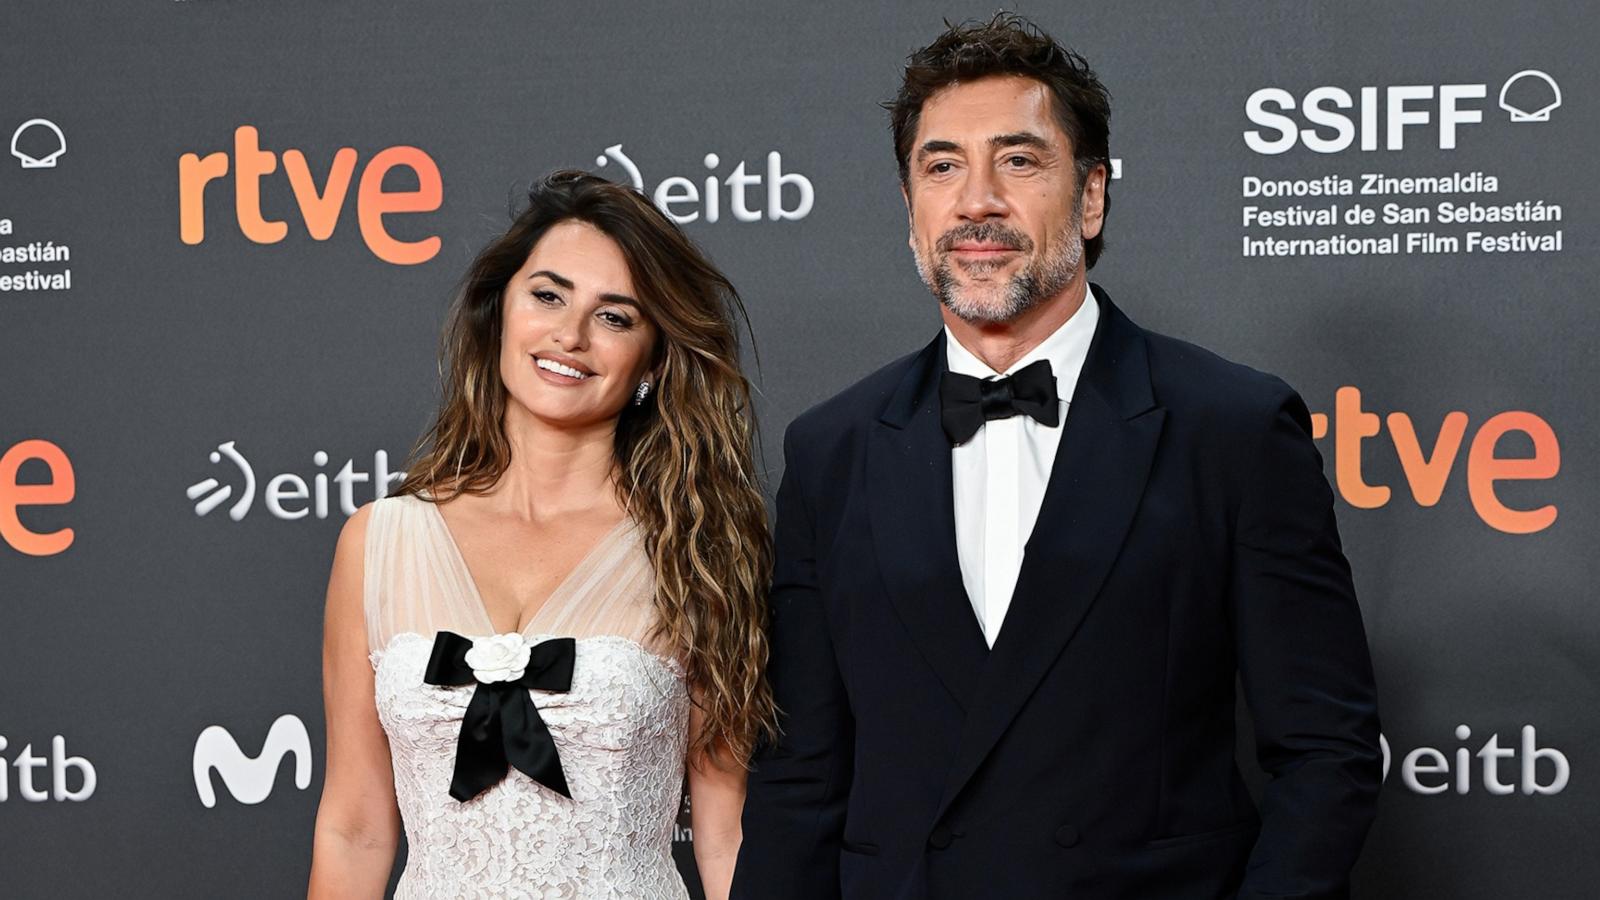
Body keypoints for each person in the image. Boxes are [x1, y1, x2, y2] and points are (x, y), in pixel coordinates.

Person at [732, 14, 1381, 900]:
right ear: (911, 208)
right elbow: (801, 776)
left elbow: (1325, 753)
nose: (977, 201)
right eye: (942, 165)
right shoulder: (832, 447)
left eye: (1020, 160)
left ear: (1092, 196)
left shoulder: (1230, 426)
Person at [308, 171, 774, 900]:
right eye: (548, 295)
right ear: (500, 311)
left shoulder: (697, 549)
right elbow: (355, 827)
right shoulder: (378, 543)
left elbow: (726, 830)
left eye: (615, 317)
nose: (571, 335)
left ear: (652, 360)